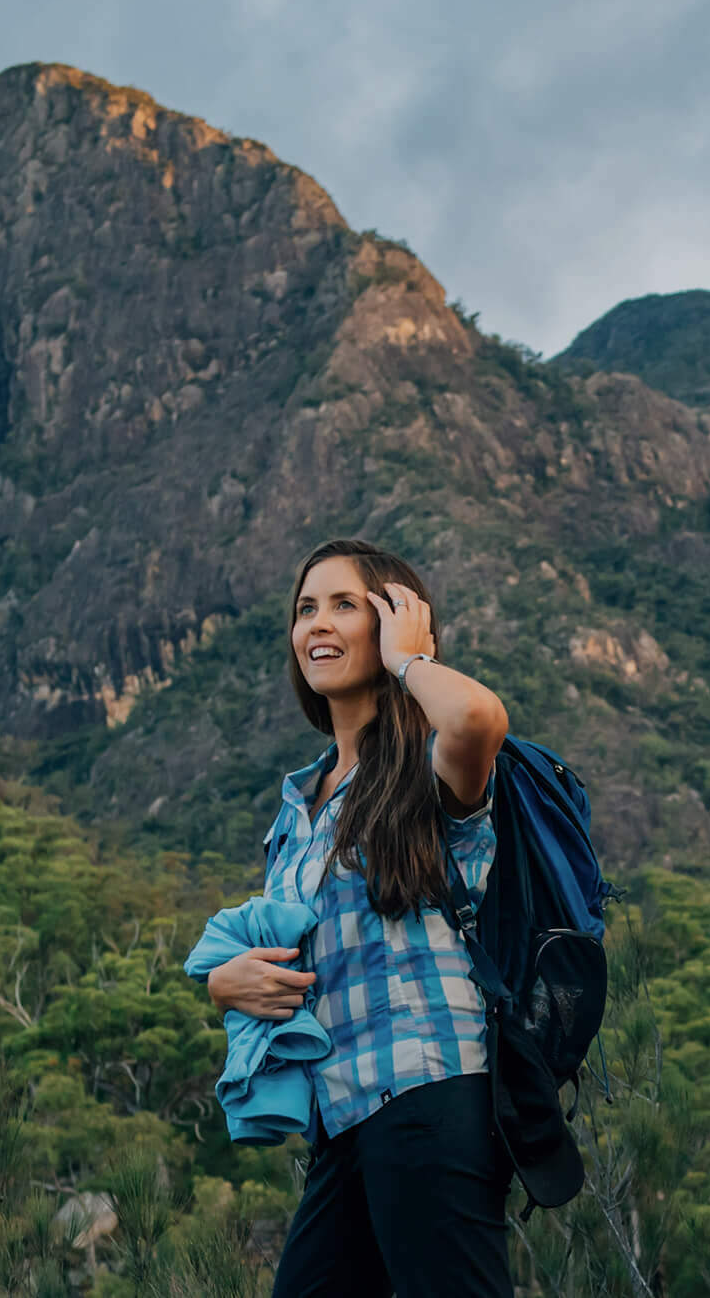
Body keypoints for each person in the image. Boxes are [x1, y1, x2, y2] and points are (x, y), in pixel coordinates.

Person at [205, 539, 514, 1297]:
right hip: (340, 1119)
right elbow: (294, 959)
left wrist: (411, 661)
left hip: (428, 1090)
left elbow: (479, 718)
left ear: (393, 619)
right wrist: (226, 985)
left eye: (346, 605)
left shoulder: (427, 764)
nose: (319, 623)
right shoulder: (298, 804)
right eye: (306, 608)